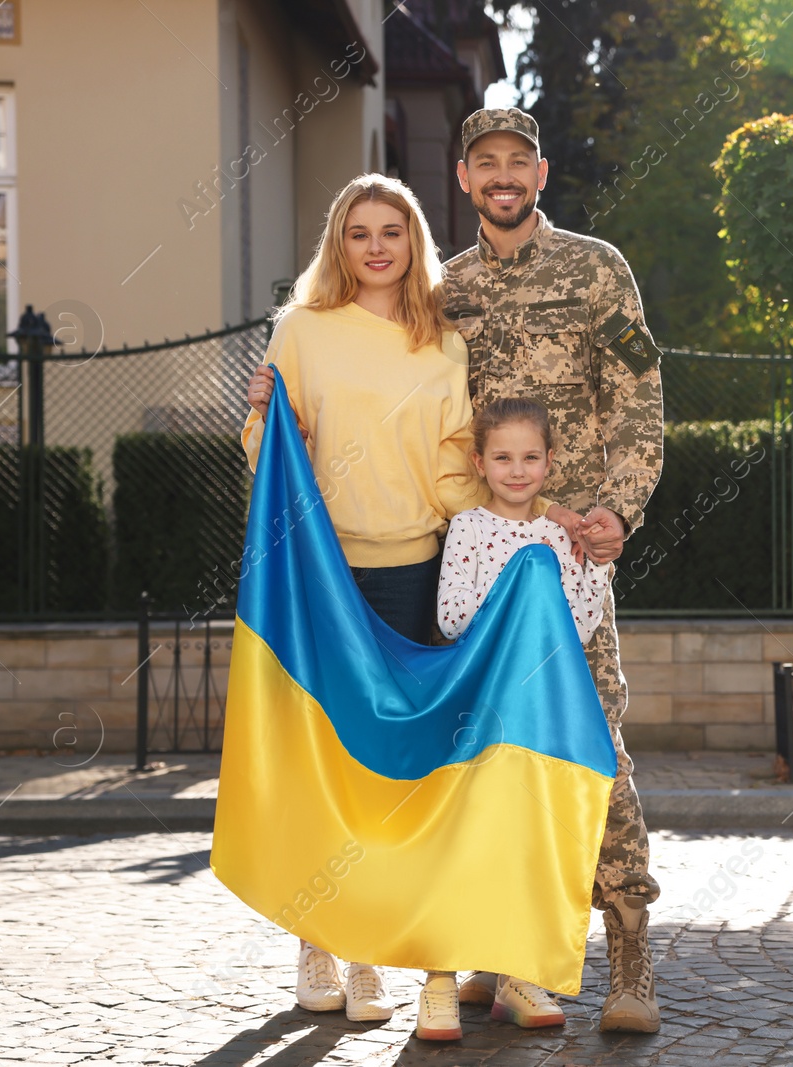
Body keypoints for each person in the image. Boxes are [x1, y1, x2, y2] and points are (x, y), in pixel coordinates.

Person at [441, 107, 666, 1033]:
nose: (502, 175)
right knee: (486, 760)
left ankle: (630, 962)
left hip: (573, 558)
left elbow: (640, 395)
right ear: (464, 179)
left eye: (517, 161)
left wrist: (620, 504)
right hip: (482, 562)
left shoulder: (596, 269)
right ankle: (498, 950)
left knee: (592, 748)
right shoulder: (440, 288)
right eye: (485, 162)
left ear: (541, 173)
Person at [241, 173, 483, 1025]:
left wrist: (515, 528)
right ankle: (318, 938)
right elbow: (267, 446)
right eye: (358, 232)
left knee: (395, 760)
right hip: (321, 568)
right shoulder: (301, 331)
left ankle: (372, 948)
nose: (376, 246)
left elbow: (457, 462)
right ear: (338, 245)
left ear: (413, 241)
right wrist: (266, 420)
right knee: (324, 750)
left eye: (392, 231)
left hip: (415, 567)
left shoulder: (443, 341)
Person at [416, 397, 610, 1039]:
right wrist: (518, 595)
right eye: (503, 457)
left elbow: (579, 625)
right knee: (463, 832)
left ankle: (518, 976)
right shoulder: (469, 529)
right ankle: (440, 979)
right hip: (479, 710)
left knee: (525, 834)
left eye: (531, 457)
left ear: (550, 462)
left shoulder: (563, 535)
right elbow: (451, 616)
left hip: (537, 717)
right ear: (480, 462)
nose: (517, 469)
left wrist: (596, 568)